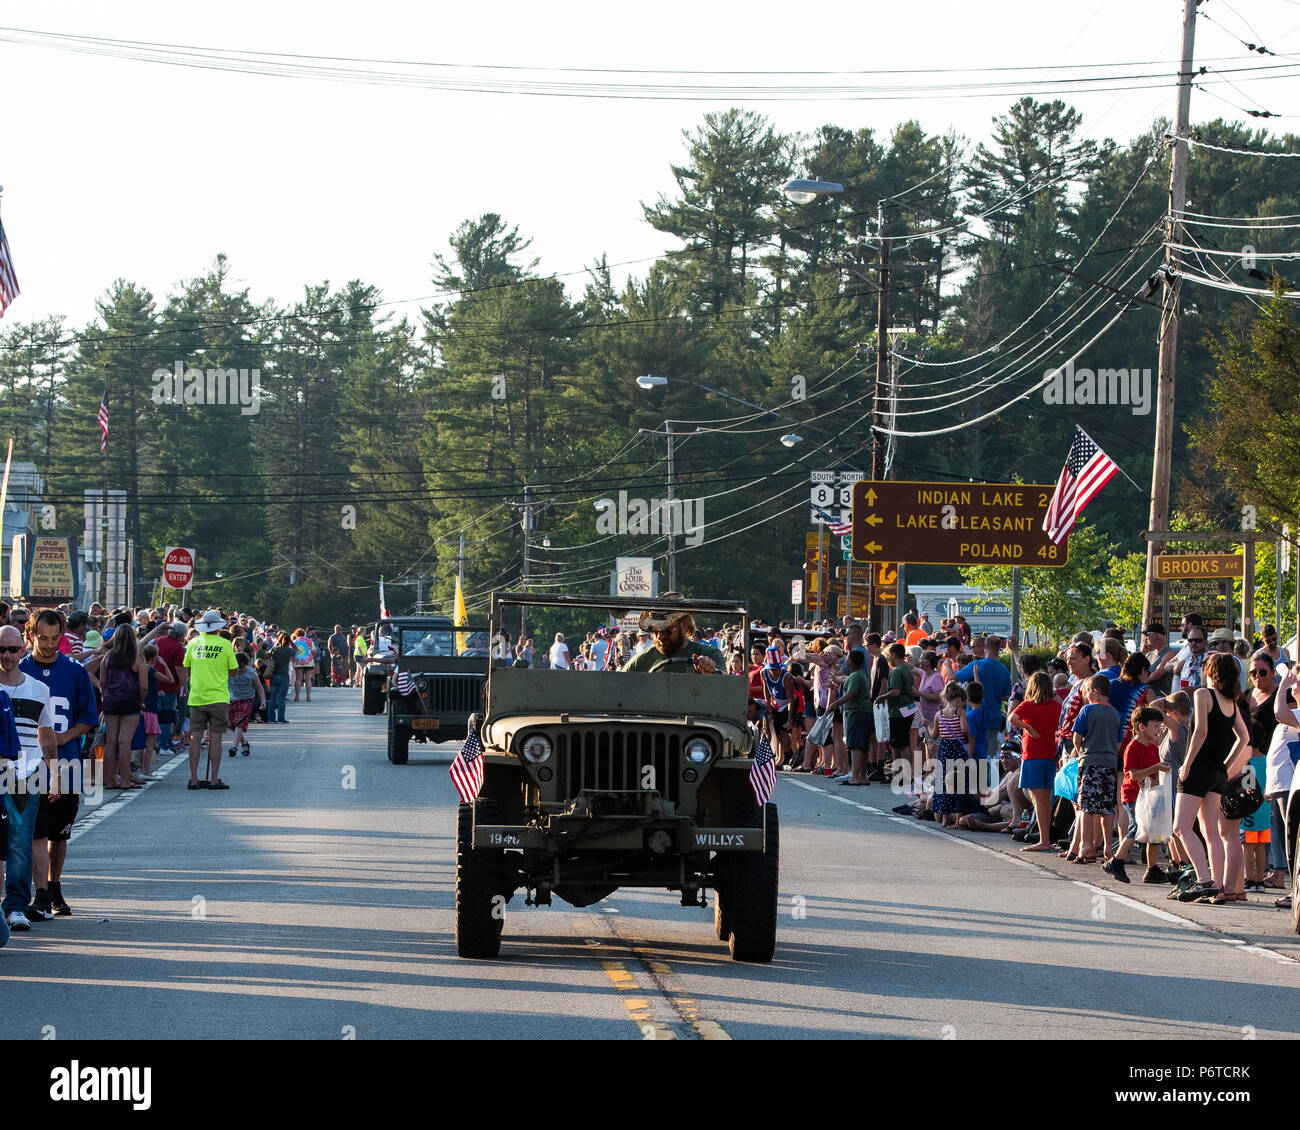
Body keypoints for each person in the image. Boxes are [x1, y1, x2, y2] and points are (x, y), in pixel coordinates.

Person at [20, 610, 98, 922]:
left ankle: (54, 886)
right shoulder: (19, 669)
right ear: (31, 635)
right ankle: (37, 893)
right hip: (29, 765)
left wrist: (65, 736)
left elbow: (89, 717)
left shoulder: (75, 671)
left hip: (67, 760)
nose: (50, 644)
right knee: (35, 830)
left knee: (61, 832)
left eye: (55, 638)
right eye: (43, 638)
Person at [1173, 653, 1252, 903]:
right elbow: (1245, 738)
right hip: (1218, 772)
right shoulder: (1232, 702)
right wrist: (1227, 765)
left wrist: (1187, 762)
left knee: (1181, 827)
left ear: (1210, 671)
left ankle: (1204, 879)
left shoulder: (1203, 695)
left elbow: (1201, 730)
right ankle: (1216, 887)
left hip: (1198, 768)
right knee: (1211, 832)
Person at [0, 624, 55, 934]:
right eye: (1, 650)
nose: (6, 655)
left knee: (21, 843)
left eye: (12, 649)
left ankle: (16, 907)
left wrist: (56, 776)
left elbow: (45, 735)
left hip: (27, 772)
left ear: (23, 648)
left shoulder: (38, 688)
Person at [1103, 706, 1170, 884]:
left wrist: (1155, 782)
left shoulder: (1153, 748)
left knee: (1153, 831)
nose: (1158, 730)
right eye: (1155, 726)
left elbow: (1153, 776)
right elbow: (1132, 775)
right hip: (1133, 795)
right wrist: (1154, 769)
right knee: (1137, 827)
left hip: (1147, 794)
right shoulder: (1133, 747)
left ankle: (1152, 868)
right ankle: (1116, 861)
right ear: (1142, 727)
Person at [88, 623, 148, 791]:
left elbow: (104, 682)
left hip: (110, 702)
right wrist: (140, 700)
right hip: (130, 701)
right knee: (124, 742)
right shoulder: (136, 657)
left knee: (110, 741)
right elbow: (143, 685)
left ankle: (110, 780)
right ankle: (125, 779)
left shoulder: (108, 657)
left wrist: (105, 695)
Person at [184, 610, 238, 790]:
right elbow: (233, 670)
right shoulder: (225, 644)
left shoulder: (193, 643)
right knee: (216, 739)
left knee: (195, 738)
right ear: (218, 627)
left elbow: (187, 668)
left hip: (197, 696)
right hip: (218, 696)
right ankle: (214, 779)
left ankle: (193, 779)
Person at [1007, 670, 1061, 851]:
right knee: (1045, 798)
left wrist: (1027, 727)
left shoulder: (1028, 705)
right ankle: (1045, 837)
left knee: (1038, 800)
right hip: (1050, 754)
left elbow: (1012, 717)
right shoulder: (1055, 706)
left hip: (1033, 755)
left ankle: (1044, 839)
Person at [1071, 673, 1122, 865]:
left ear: (1096, 691)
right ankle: (1108, 847)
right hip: (1110, 763)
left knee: (1086, 806)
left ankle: (1086, 845)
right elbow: (1118, 745)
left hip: (1090, 761)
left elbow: (1077, 738)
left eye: (1086, 691)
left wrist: (1080, 752)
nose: (1085, 695)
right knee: (1106, 807)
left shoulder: (1086, 711)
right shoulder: (1116, 714)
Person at [621, 600, 722, 674]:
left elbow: (726, 684)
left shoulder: (709, 654)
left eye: (666, 629)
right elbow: (618, 686)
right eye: (654, 630)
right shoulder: (640, 662)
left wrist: (711, 672)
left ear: (684, 624)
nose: (659, 636)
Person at [926, 682, 970, 827]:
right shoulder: (960, 712)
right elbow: (964, 729)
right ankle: (958, 816)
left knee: (943, 783)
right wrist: (968, 736)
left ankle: (944, 817)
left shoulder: (939, 714)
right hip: (957, 749)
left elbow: (934, 735)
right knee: (958, 782)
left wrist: (927, 725)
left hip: (944, 749)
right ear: (958, 699)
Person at [826, 648, 872, 786]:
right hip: (862, 712)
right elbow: (845, 682)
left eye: (847, 659)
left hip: (856, 713)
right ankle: (862, 776)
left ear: (851, 661)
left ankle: (856, 776)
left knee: (856, 745)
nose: (845, 661)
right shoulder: (858, 675)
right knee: (862, 746)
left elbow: (851, 694)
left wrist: (835, 703)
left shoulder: (856, 676)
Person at [227, 652, 265, 757]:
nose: (239, 670)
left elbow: (259, 687)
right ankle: (244, 744)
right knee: (234, 725)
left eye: (242, 668)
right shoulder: (229, 672)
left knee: (240, 722)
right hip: (232, 699)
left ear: (247, 665)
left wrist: (263, 700)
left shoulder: (251, 673)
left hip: (246, 700)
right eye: (237, 668)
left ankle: (234, 747)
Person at [268, 631, 293, 723]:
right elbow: (297, 650)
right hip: (284, 675)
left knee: (272, 698)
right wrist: (291, 642)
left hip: (274, 675)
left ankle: (271, 718)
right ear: (289, 641)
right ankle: (281, 718)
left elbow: (268, 655)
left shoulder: (275, 650)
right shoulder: (289, 651)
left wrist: (277, 644)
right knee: (282, 698)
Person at [290, 628, 316, 702]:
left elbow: (291, 653)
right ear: (304, 634)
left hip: (298, 662)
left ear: (296, 634)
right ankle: (308, 696)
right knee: (308, 679)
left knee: (298, 679)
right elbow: (314, 651)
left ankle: (297, 696)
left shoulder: (294, 642)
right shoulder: (310, 641)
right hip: (309, 661)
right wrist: (309, 655)